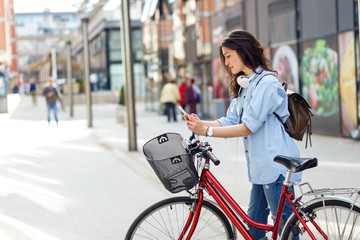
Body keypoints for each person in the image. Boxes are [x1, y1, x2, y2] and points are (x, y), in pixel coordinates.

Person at [183, 29, 300, 240]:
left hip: (275, 167)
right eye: (224, 57)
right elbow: (231, 120)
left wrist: (207, 131)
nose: (226, 62)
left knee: (286, 230)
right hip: (259, 169)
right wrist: (200, 124)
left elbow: (248, 126)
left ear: (243, 51)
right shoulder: (245, 83)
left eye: (228, 56)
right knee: (253, 229)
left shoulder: (266, 83)